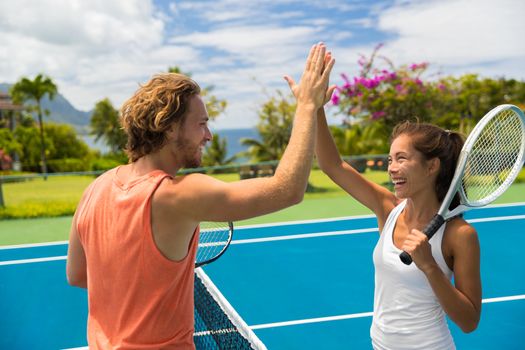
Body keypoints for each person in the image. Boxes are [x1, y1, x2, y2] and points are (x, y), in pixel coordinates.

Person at [65, 43, 335, 349]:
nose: (208, 135)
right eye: (202, 124)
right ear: (167, 129)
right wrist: (307, 106)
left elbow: (77, 275)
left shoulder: (94, 190)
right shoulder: (178, 195)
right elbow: (287, 189)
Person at [315, 108, 481, 349]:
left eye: (401, 158)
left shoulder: (460, 235)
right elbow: (332, 165)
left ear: (431, 166)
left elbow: (469, 321)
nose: (391, 168)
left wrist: (429, 266)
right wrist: (317, 107)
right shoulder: (388, 208)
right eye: (390, 159)